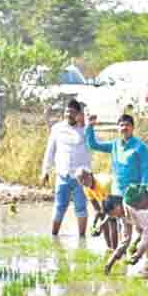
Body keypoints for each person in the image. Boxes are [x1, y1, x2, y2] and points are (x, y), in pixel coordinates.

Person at [42, 99, 92, 237]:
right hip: (62, 175)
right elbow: (50, 151)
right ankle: (53, 236)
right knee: (59, 207)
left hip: (81, 178)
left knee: (81, 208)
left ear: (78, 114)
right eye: (67, 111)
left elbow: (91, 144)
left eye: (72, 112)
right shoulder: (57, 128)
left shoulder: (84, 130)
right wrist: (45, 171)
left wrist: (84, 125)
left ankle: (82, 238)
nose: (69, 114)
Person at [85, 112, 148, 197]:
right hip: (116, 191)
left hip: (133, 192)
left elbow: (145, 170)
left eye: (127, 125)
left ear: (133, 127)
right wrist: (90, 126)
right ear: (118, 128)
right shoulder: (115, 144)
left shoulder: (141, 147)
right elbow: (93, 145)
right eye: (121, 125)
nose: (124, 128)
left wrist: (143, 188)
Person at [75, 167, 117, 249]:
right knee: (102, 218)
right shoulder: (86, 188)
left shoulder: (103, 184)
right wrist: (94, 224)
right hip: (106, 201)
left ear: (91, 175)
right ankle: (109, 248)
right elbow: (98, 210)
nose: (84, 182)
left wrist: (100, 226)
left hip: (117, 196)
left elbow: (110, 210)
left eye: (85, 178)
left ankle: (115, 250)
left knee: (112, 221)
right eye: (80, 180)